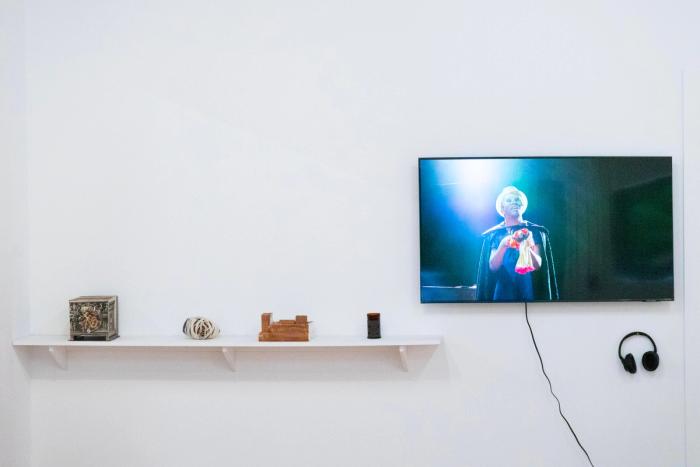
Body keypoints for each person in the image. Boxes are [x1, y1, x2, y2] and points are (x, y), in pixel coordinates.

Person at [475, 186, 559, 301]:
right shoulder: (496, 234)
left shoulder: (533, 231)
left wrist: (525, 247)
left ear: (521, 205)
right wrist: (503, 244)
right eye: (509, 200)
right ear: (502, 208)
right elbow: (493, 267)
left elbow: (538, 265)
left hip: (528, 287)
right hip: (503, 289)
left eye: (517, 200)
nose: (514, 202)